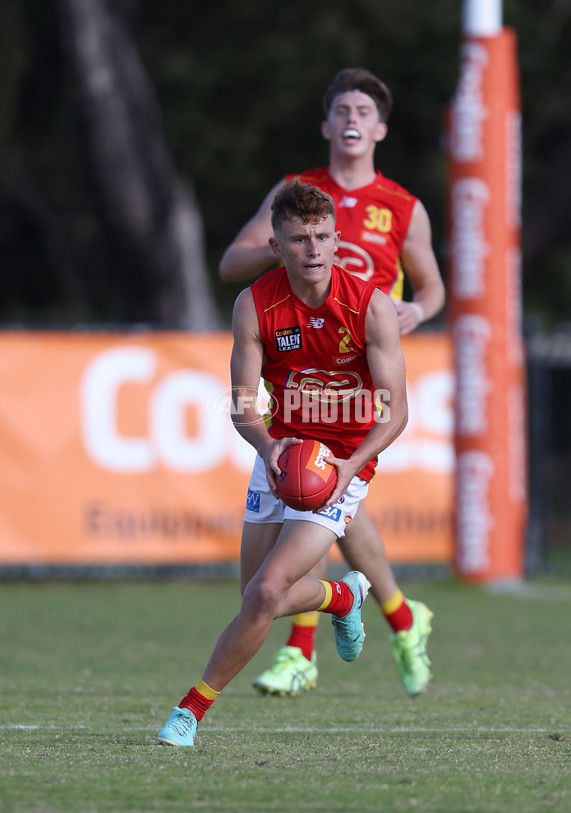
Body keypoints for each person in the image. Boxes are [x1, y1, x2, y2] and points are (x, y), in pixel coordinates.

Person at [157, 179, 408, 746]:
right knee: (254, 598)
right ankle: (340, 596)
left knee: (267, 592)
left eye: (322, 237)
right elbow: (243, 401)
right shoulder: (254, 303)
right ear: (277, 246)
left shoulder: (370, 307)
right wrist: (267, 445)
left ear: (338, 240)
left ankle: (189, 711)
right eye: (299, 239)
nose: (313, 250)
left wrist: (351, 467)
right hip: (282, 456)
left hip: (342, 463)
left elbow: (396, 413)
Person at [218, 68, 445, 698]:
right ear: (326, 126)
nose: (351, 117)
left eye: (363, 109)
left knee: (320, 495)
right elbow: (233, 262)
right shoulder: (298, 195)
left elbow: (431, 287)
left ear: (380, 128)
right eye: (340, 106)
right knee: (318, 495)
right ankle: (394, 616)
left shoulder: (402, 206)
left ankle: (305, 646)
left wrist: (418, 311)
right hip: (301, 366)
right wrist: (290, 248)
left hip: (361, 365)